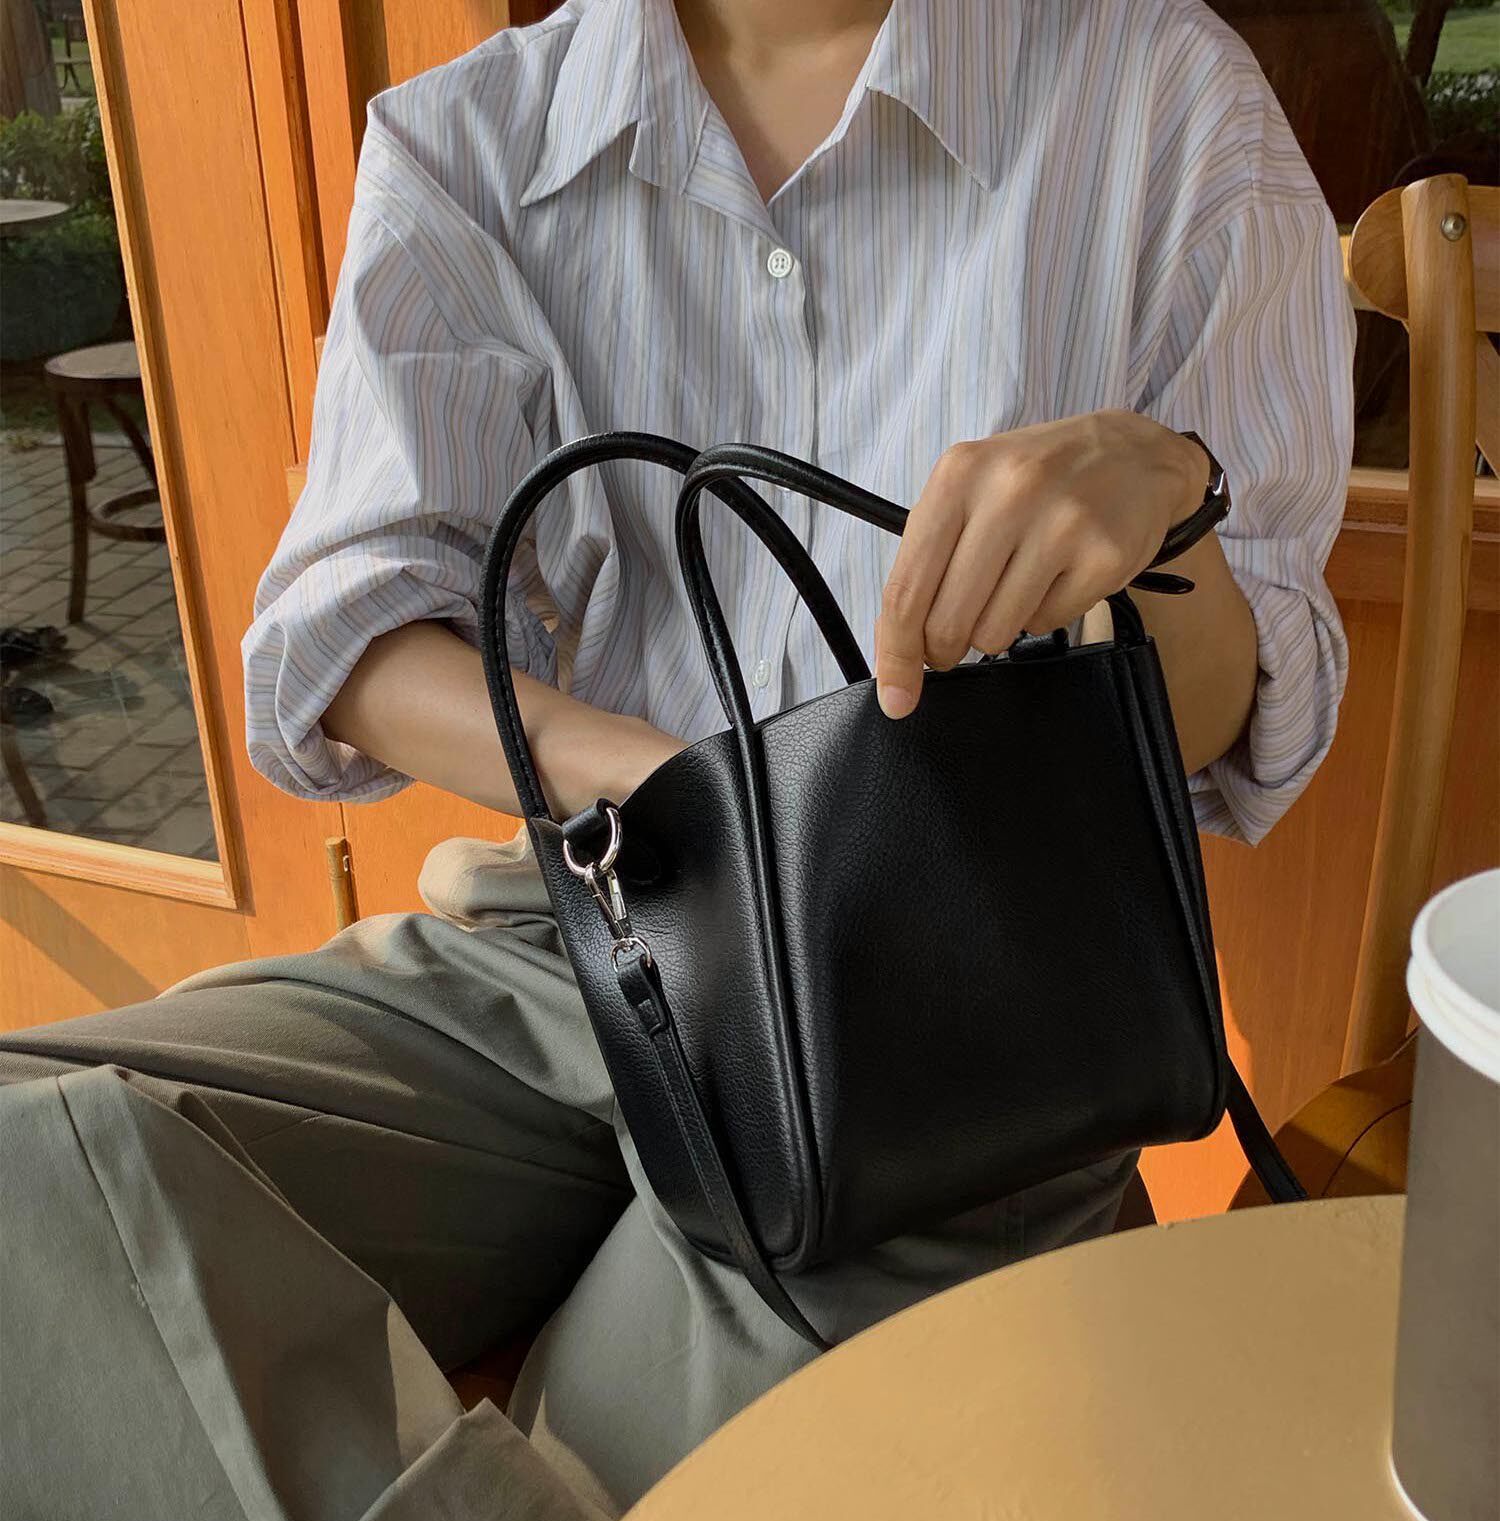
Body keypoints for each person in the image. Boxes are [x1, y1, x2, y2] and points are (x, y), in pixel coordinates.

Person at [0, 0, 1354, 1515]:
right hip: (585, 934)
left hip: (941, 995)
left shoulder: (1160, 96)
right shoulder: (473, 139)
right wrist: (675, 790)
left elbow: (1238, 707)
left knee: (642, 1474)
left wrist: (1166, 493)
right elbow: (347, 630)